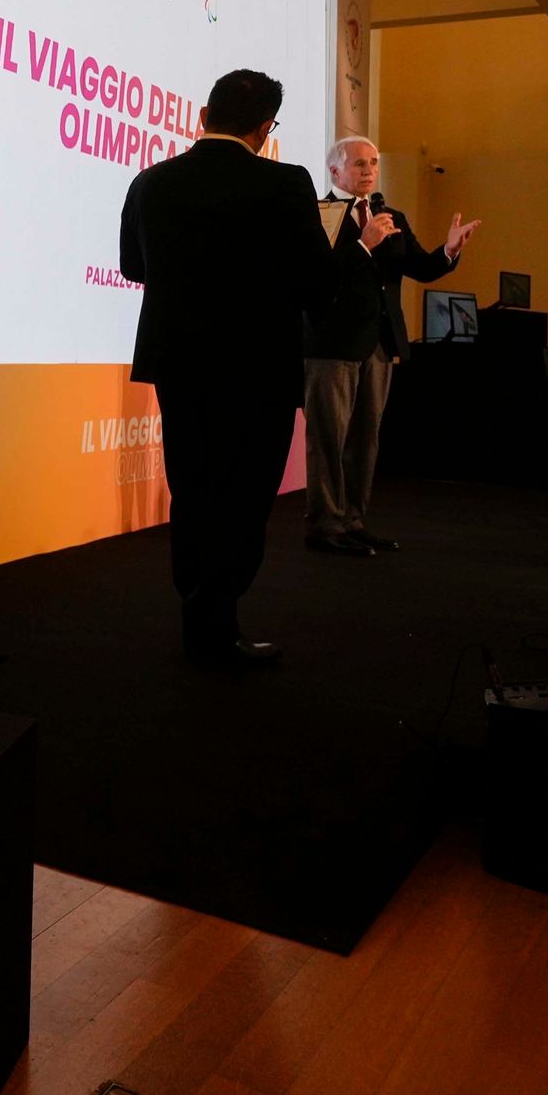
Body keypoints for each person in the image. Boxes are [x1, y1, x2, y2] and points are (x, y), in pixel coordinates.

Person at [118, 68, 386, 666]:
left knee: (192, 490)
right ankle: (217, 622)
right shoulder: (286, 184)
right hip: (256, 370)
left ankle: (200, 618)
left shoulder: (151, 181)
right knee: (243, 499)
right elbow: (318, 286)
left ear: (202, 115)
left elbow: (135, 268)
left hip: (179, 364)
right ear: (266, 129)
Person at [298, 136, 476, 556]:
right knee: (328, 436)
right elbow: (314, 278)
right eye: (359, 163)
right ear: (335, 171)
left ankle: (352, 519)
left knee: (366, 437)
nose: (368, 170)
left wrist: (448, 251)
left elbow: (419, 267)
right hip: (332, 343)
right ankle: (324, 524)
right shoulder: (318, 215)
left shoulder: (388, 215)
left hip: (379, 343)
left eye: (373, 162)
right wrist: (363, 245)